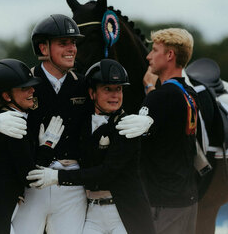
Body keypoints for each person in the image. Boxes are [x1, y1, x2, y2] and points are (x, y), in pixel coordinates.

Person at [0, 14, 153, 234]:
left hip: (72, 186)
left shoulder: (85, 83)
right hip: (33, 183)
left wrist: (148, 119)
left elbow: (114, 104)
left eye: (74, 43)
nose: (72, 49)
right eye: (63, 43)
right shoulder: (23, 83)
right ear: (43, 48)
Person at [27, 59, 156, 234]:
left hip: (123, 213)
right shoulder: (82, 122)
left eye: (118, 89)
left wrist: (57, 177)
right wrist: (46, 146)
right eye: (107, 89)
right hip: (93, 213)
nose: (115, 96)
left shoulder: (128, 126)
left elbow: (106, 174)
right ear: (92, 93)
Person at [0, 59, 65, 234]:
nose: (32, 91)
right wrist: (47, 147)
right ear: (7, 96)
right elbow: (28, 176)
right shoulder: (13, 124)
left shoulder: (7, 114)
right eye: (24, 88)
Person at [140, 28, 199, 234]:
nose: (149, 56)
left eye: (155, 50)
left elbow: (136, 143)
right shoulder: (189, 94)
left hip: (164, 203)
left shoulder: (159, 98)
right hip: (187, 199)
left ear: (170, 55)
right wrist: (150, 89)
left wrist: (149, 93)